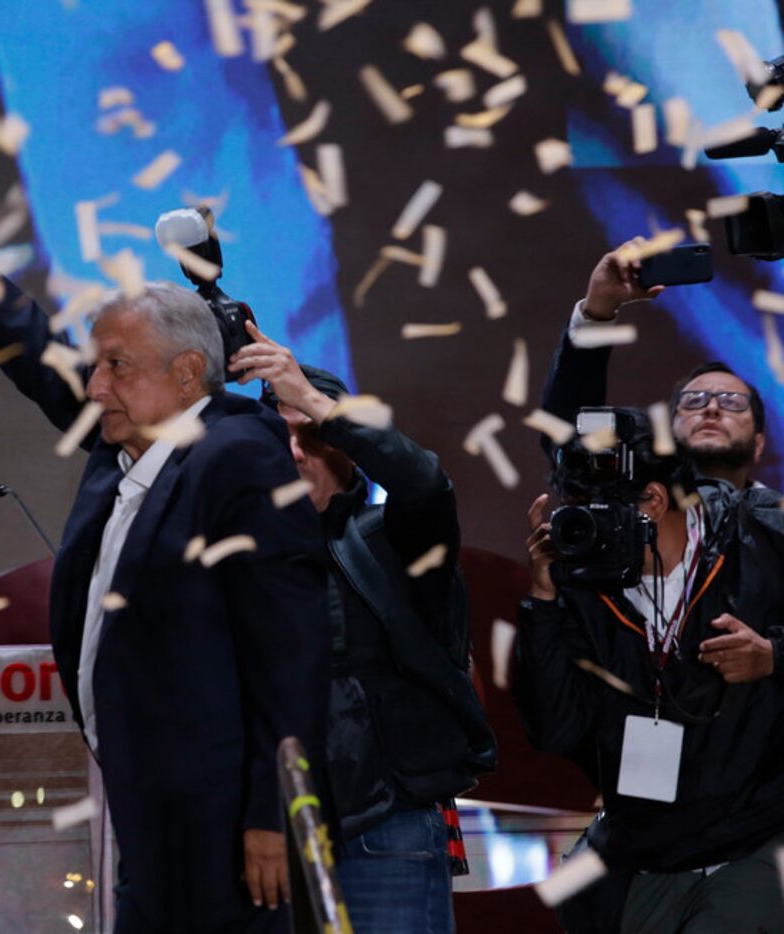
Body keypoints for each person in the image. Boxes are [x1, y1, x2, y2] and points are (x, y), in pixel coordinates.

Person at [0, 137, 331, 932]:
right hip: (153, 811)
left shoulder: (236, 456)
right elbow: (34, 351)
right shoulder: (137, 439)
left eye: (116, 366)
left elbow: (290, 654)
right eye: (97, 366)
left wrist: (272, 815)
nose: (94, 384)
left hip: (227, 827)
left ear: (189, 374)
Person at [230, 332, 496, 933]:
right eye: (279, 440)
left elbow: (426, 484)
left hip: (387, 824)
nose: (294, 454)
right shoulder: (238, 560)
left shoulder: (391, 539)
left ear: (351, 452)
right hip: (264, 829)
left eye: (314, 437)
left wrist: (313, 400)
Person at [516, 410, 784, 933]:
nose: (585, 527)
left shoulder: (761, 540)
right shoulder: (582, 581)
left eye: (598, 511)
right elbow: (555, 732)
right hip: (649, 846)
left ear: (655, 501)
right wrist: (544, 600)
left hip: (757, 838)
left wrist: (774, 656)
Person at [542, 239, 770, 496]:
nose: (711, 408)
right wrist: (599, 306)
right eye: (694, 400)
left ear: (758, 444)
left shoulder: (776, 526)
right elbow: (566, 435)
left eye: (732, 401)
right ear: (670, 434)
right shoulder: (630, 518)